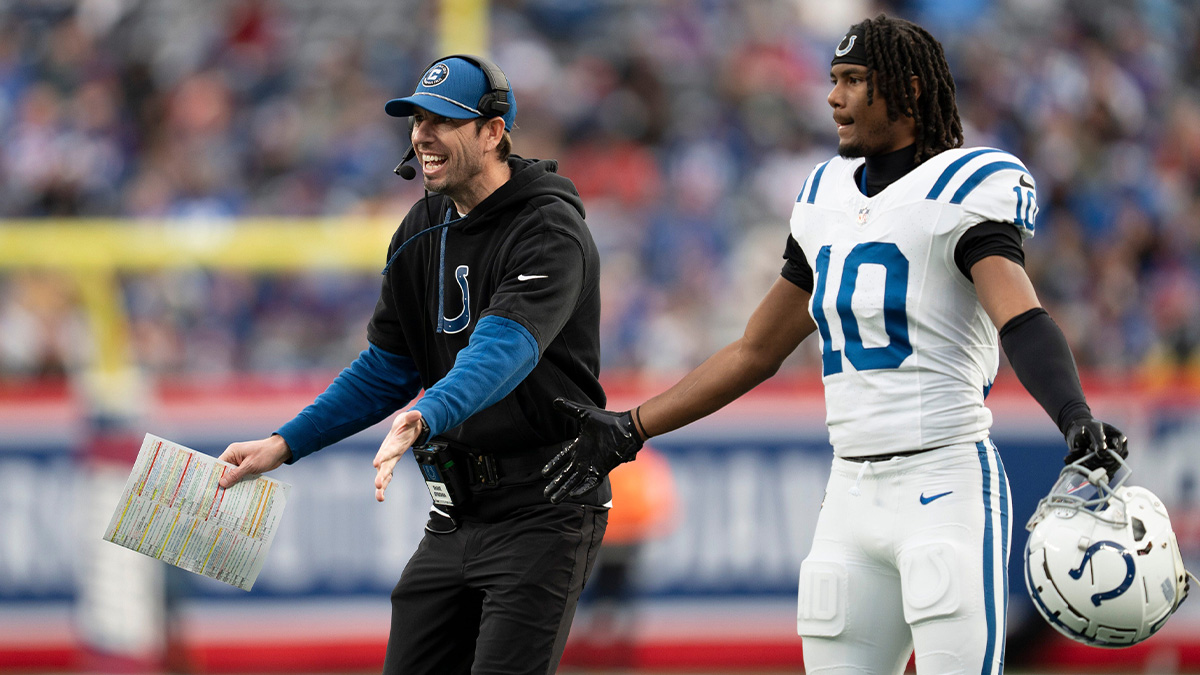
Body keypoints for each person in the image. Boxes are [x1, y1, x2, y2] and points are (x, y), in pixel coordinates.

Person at [543, 15, 1128, 675]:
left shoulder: (964, 187)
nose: (832, 97)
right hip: (849, 487)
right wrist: (633, 424)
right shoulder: (823, 196)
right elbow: (755, 351)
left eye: (853, 81)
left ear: (907, 91)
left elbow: (1021, 317)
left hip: (944, 479)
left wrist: (1072, 413)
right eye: (833, 80)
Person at [217, 54, 610, 675]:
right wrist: (283, 442)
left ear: (493, 131)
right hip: (455, 513)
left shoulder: (549, 230)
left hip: (544, 507)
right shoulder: (421, 226)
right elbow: (386, 367)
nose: (423, 134)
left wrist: (427, 413)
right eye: (417, 119)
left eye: (443, 120)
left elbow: (503, 350)